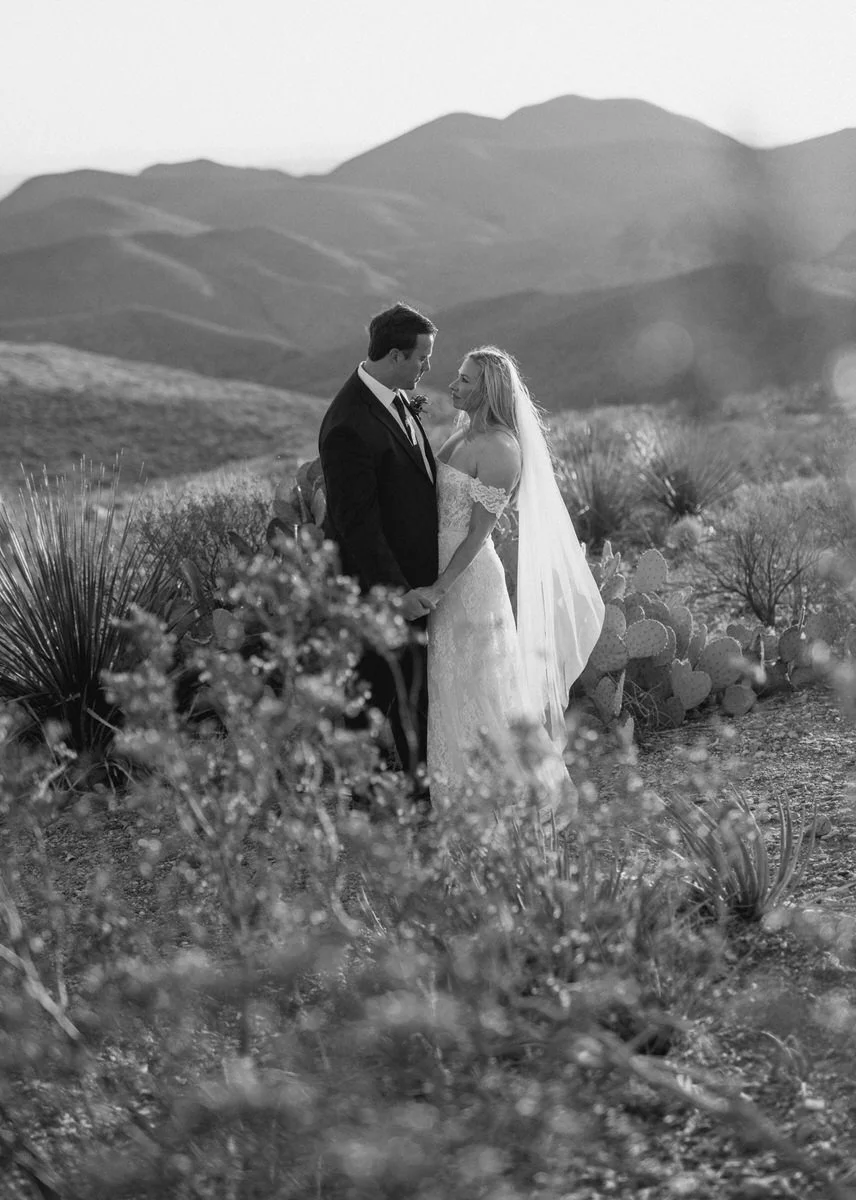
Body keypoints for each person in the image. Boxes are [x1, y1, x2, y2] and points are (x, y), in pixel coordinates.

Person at [411, 346, 605, 814]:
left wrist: (440, 587)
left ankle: (509, 797)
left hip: (468, 580)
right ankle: (458, 794)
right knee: (448, 684)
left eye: (465, 380)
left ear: (489, 390)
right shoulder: (460, 436)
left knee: (481, 686)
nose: (453, 386)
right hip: (439, 569)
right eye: (457, 377)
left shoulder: (500, 448)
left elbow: (479, 533)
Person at [318, 302, 438, 802]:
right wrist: (398, 595)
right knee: (375, 695)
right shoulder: (349, 423)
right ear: (394, 355)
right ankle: (353, 797)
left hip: (409, 579)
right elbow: (357, 525)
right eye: (421, 359)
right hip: (378, 587)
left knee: (401, 693)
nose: (427, 368)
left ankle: (415, 793)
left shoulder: (392, 396)